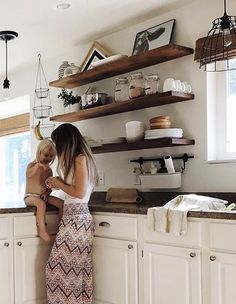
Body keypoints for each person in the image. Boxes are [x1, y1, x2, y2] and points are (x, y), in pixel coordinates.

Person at [45, 123, 99, 304]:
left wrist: (60, 184)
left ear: (65, 143)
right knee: (74, 273)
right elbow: (74, 194)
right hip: (73, 220)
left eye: (57, 145)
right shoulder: (78, 161)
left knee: (58, 271)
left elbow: (79, 193)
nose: (56, 150)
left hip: (78, 222)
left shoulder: (80, 159)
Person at [24, 139, 63, 243]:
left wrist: (46, 193)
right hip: (30, 196)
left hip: (42, 196)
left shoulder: (49, 170)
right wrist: (37, 166)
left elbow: (49, 186)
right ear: (39, 153)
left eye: (51, 156)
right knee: (41, 205)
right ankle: (42, 230)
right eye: (46, 155)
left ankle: (61, 228)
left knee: (62, 203)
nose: (48, 158)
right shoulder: (31, 166)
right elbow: (29, 175)